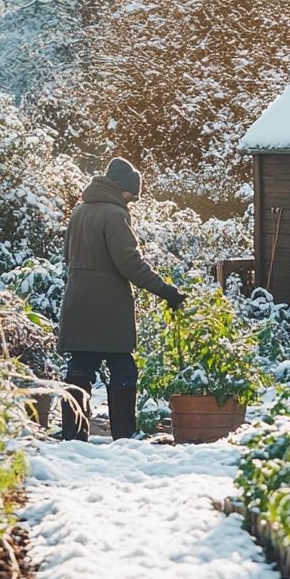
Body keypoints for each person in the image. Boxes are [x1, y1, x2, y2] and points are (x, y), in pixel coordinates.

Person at [57, 157, 186, 440]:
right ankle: (124, 434)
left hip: (78, 300)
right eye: (132, 194)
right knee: (123, 368)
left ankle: (73, 433)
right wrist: (166, 291)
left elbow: (68, 256)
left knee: (80, 367)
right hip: (108, 307)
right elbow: (130, 264)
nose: (132, 201)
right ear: (121, 189)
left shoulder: (80, 212)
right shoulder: (115, 214)